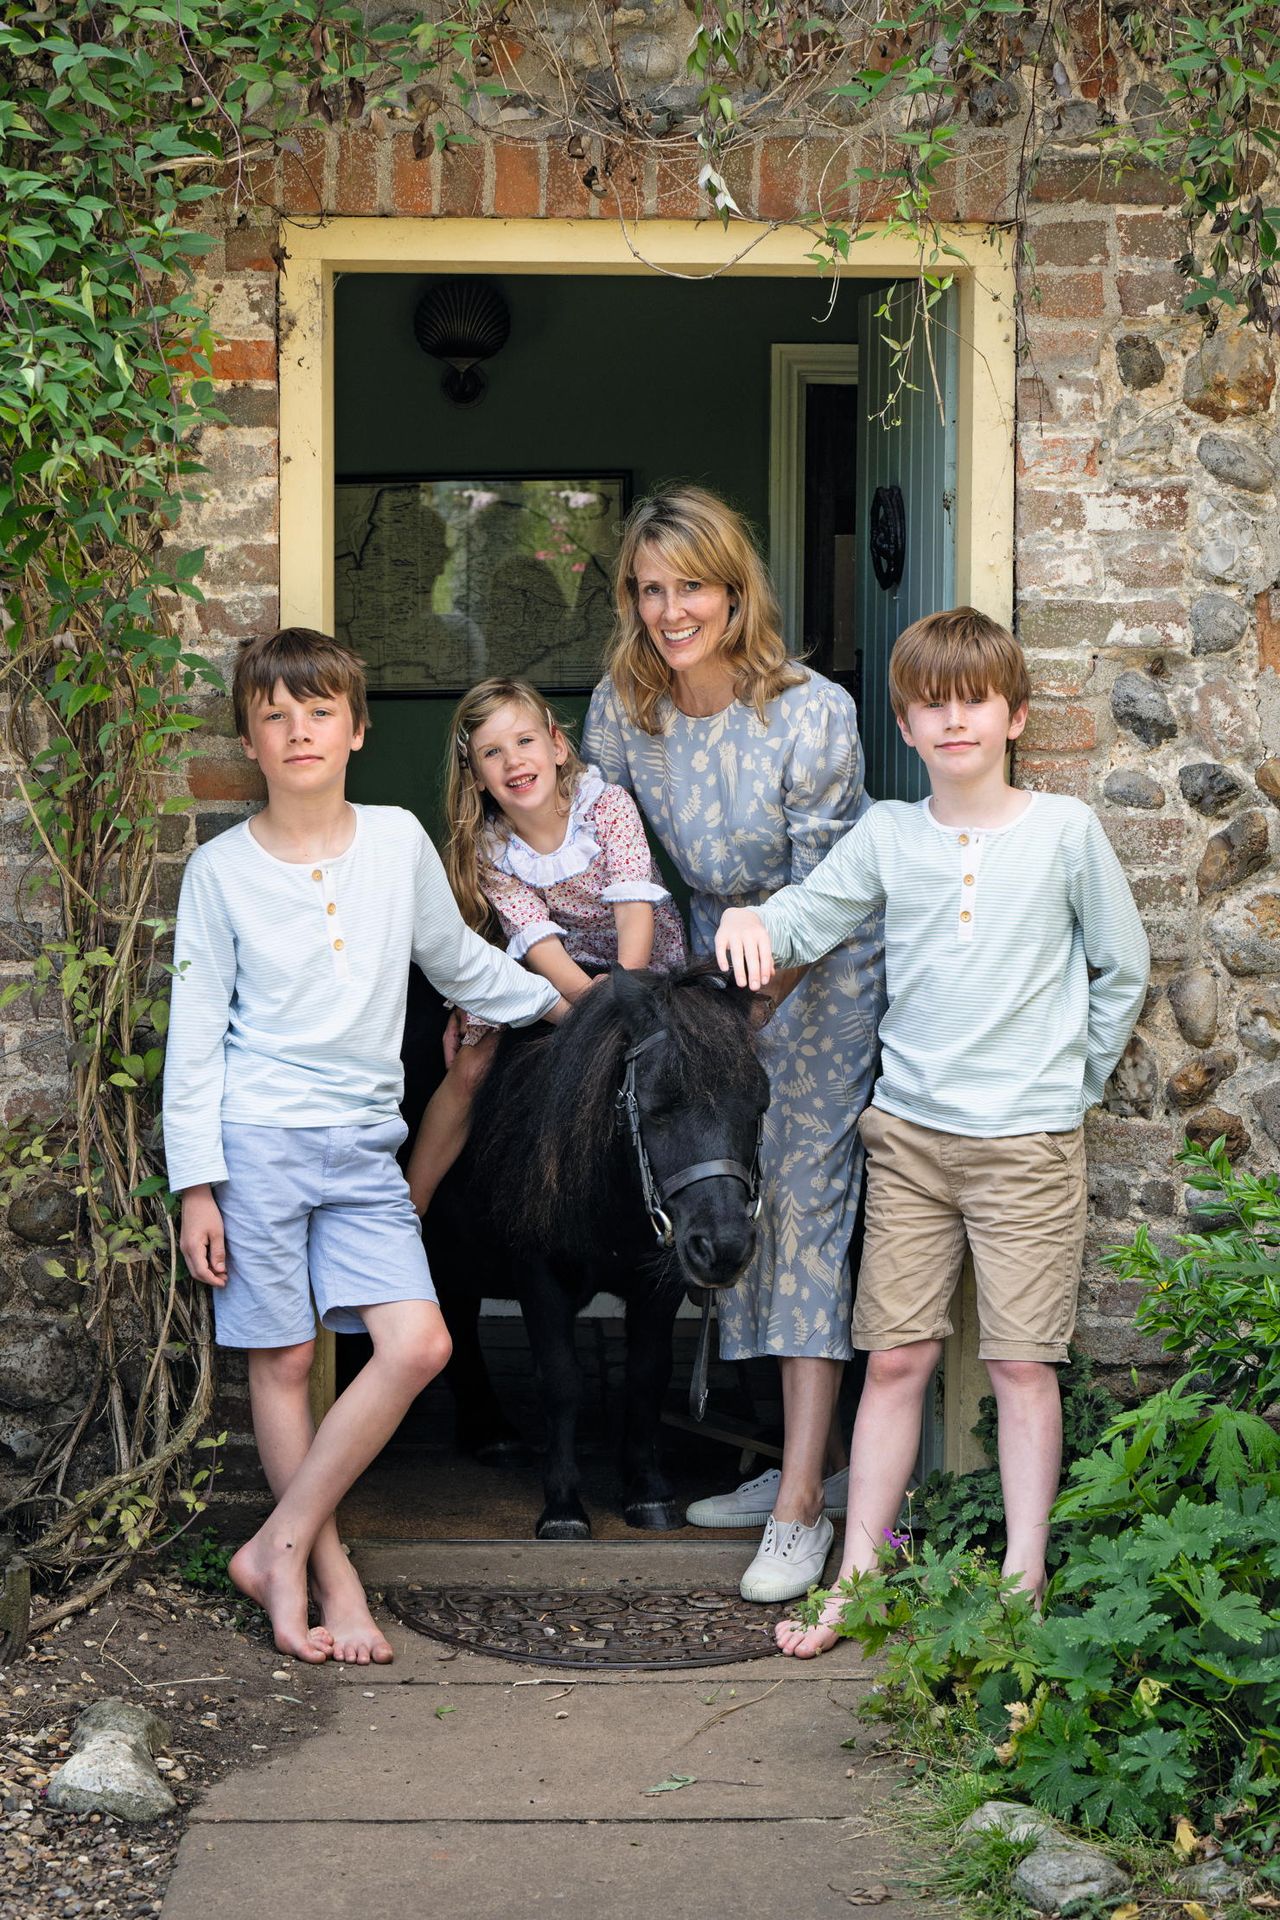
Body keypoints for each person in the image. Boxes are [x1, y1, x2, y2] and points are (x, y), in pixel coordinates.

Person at [714, 606, 1150, 1655]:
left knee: (1017, 1366)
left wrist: (1068, 1085)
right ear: (903, 725)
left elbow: (1120, 970)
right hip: (906, 1140)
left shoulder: (1061, 832)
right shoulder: (888, 836)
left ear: (1013, 714)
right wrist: (745, 921)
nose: (952, 721)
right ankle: (857, 1578)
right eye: (929, 705)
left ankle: (1021, 1579)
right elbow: (804, 921)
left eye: (972, 701)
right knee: (896, 1358)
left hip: (1026, 1148)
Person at [163, 629, 569, 1666]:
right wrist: (196, 1184)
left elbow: (462, 964)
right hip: (255, 1144)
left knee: (418, 1345)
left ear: (355, 726)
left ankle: (274, 1544)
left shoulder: (393, 843)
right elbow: (196, 1035)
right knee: (287, 1358)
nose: (299, 731)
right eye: (275, 716)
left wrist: (580, 1009)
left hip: (362, 1148)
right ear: (250, 740)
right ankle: (324, 1579)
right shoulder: (219, 872)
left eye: (318, 712)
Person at [583, 487, 886, 1606]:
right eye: (649, 590)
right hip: (705, 968)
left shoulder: (810, 713)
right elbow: (613, 859)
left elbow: (830, 887)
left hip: (813, 970)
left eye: (690, 587)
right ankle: (791, 1467)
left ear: (732, 588)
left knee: (800, 1210)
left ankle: (804, 1509)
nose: (670, 611)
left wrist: (749, 1008)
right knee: (722, 1200)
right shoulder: (624, 709)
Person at [404, 676, 686, 1216]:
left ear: (557, 746)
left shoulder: (606, 807)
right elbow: (538, 942)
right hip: (560, 972)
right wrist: (590, 1002)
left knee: (673, 1058)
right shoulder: (492, 851)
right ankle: (409, 1215)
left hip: (641, 960)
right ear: (477, 776)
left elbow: (634, 909)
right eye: (492, 752)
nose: (513, 761)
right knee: (473, 1064)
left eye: (524, 741)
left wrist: (623, 991)